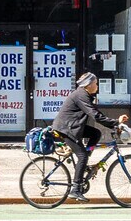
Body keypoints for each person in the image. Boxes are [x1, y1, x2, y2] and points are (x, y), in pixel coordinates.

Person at [51, 71, 125, 199]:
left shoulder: (85, 95)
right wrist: (115, 122)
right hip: (66, 129)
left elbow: (96, 112)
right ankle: (75, 189)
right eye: (96, 83)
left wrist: (113, 124)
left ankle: (85, 159)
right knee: (82, 156)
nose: (97, 86)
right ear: (88, 84)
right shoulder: (81, 95)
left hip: (73, 127)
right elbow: (95, 116)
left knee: (95, 133)